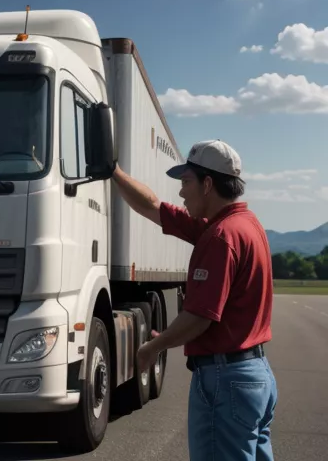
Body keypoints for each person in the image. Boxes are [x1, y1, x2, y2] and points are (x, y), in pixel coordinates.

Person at [112, 139, 277, 461]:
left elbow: (201, 316)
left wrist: (152, 347)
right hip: (254, 375)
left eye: (186, 182)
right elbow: (153, 207)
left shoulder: (219, 237)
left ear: (208, 184)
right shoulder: (245, 225)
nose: (181, 192)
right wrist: (114, 172)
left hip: (226, 378)